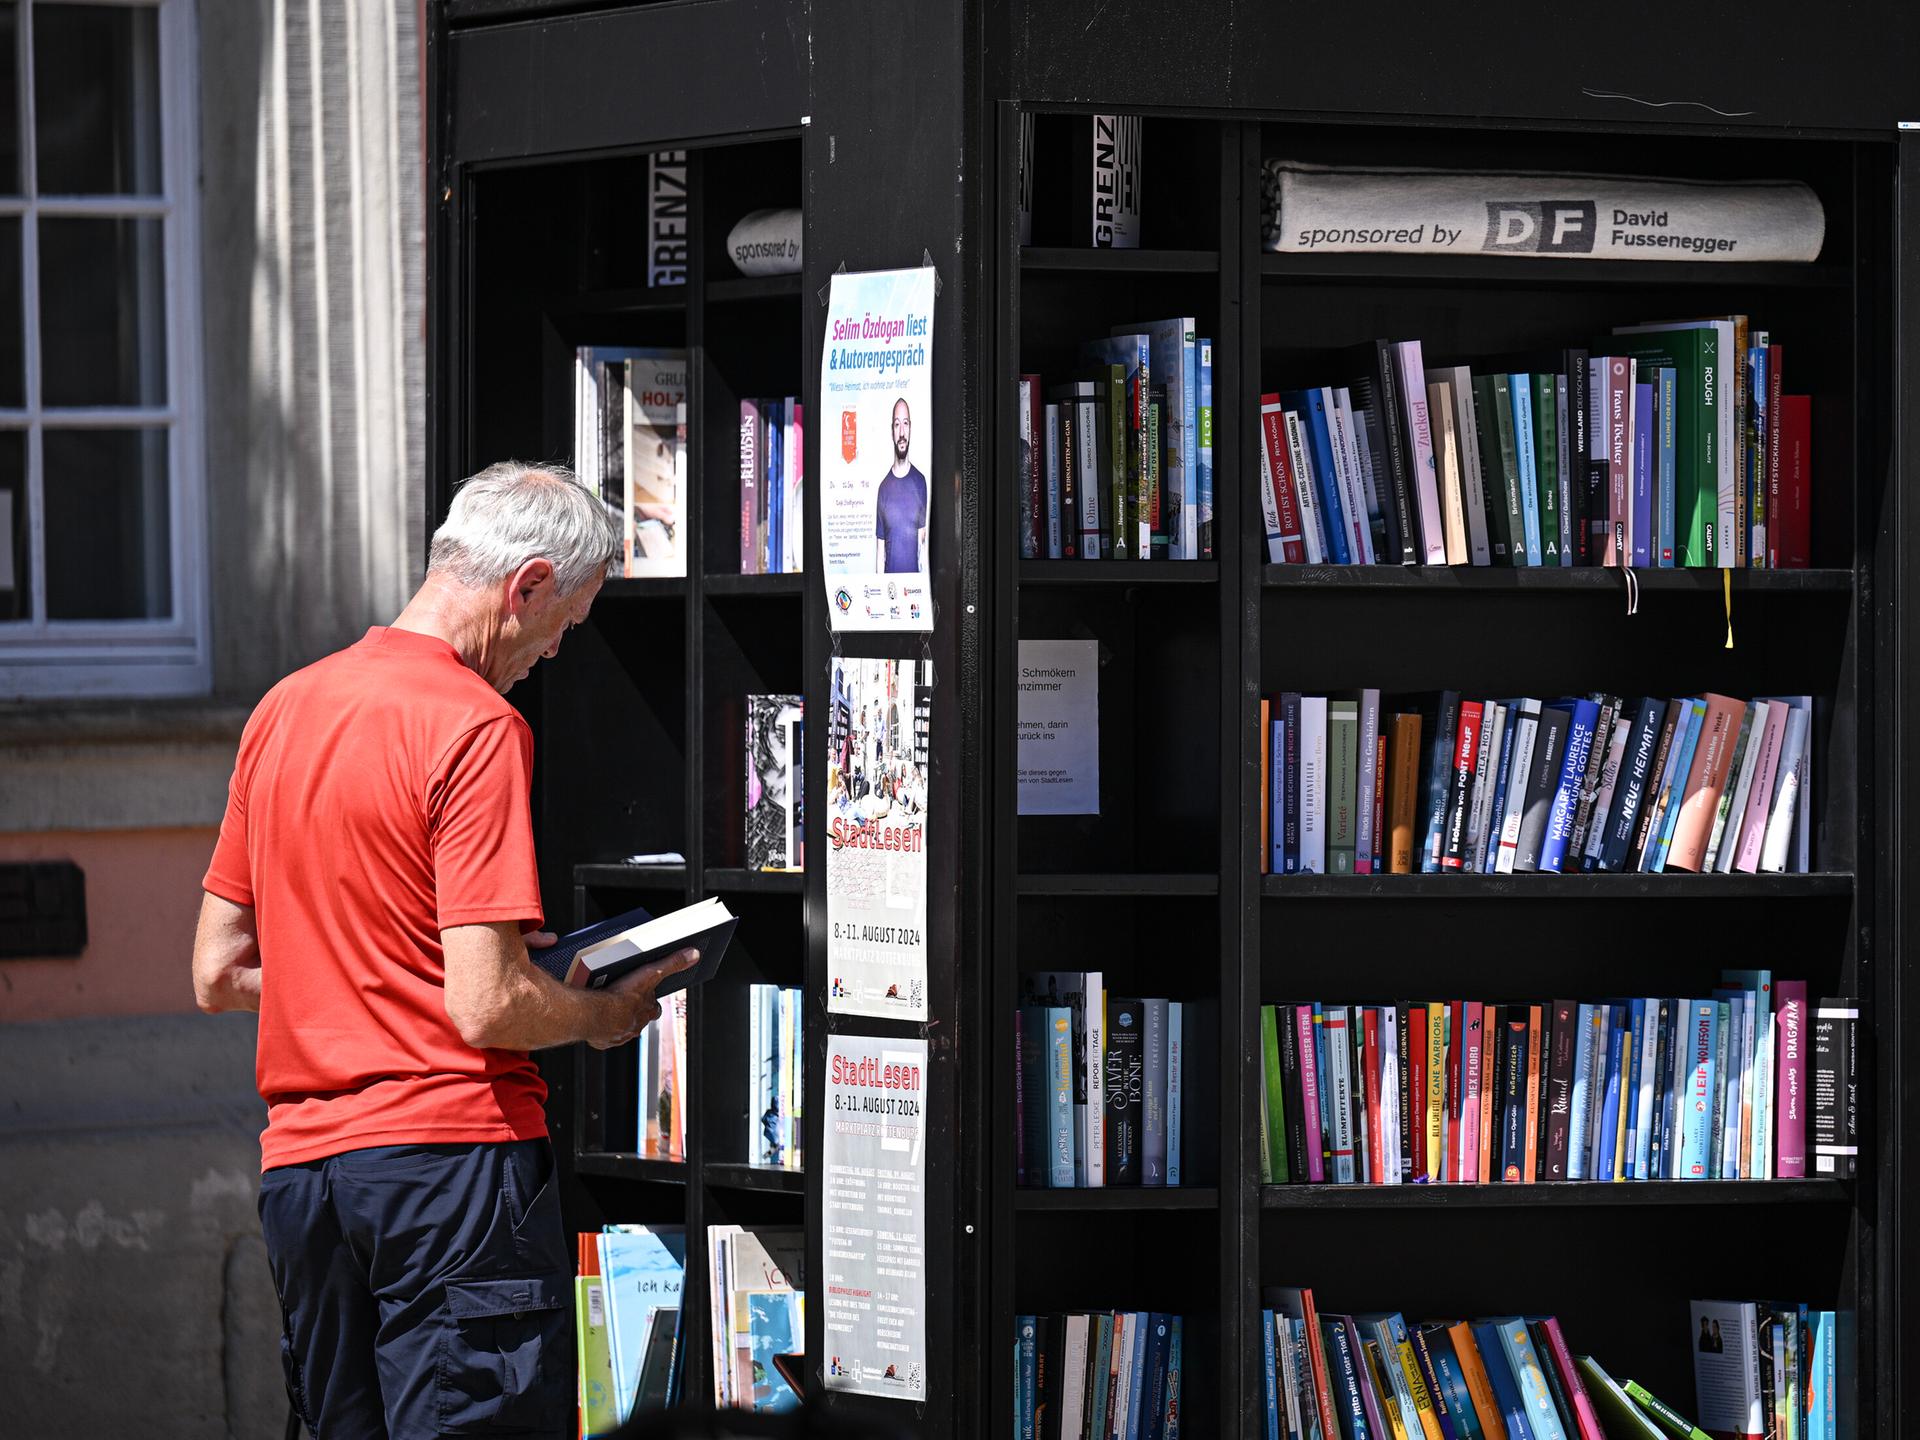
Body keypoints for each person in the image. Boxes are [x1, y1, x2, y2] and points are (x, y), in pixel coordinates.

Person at [192, 462, 699, 1440]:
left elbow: (217, 972)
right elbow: (484, 1007)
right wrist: (603, 1016)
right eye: (567, 622)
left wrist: (377, 969)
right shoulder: (474, 725)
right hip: (450, 1171)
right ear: (529, 586)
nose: (554, 651)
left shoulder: (284, 708)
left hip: (305, 1180)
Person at [873, 397, 928, 574]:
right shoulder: (883, 488)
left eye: (905, 424)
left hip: (915, 594)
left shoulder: (920, 482)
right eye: (897, 425)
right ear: (892, 431)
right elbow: (880, 553)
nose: (902, 432)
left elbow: (924, 548)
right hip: (889, 595)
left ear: (911, 428)